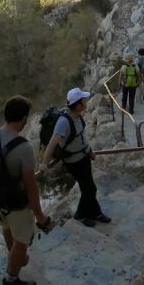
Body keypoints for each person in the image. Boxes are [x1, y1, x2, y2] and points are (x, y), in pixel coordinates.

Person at [0, 95, 52, 285]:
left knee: (6, 226)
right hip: (16, 202)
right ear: (23, 118)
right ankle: (11, 282)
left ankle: (14, 257)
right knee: (22, 239)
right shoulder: (24, 148)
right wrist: (39, 215)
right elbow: (31, 186)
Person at [42, 88, 112, 227]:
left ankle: (95, 213)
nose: (86, 101)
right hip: (74, 162)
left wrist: (89, 150)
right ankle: (80, 215)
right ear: (78, 104)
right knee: (89, 189)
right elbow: (52, 143)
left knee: (89, 188)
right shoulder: (64, 122)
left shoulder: (77, 115)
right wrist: (44, 163)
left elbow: (81, 137)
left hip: (84, 156)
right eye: (84, 100)